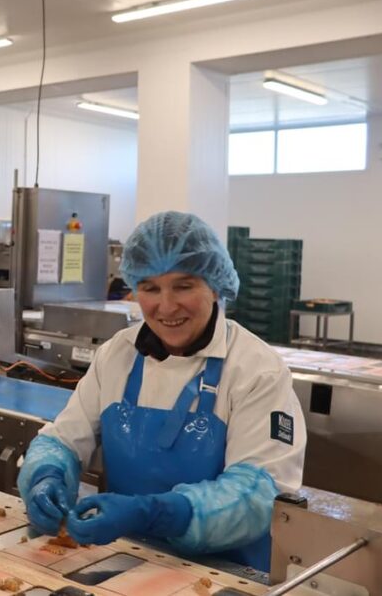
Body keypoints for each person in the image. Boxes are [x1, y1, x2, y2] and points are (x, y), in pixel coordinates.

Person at [18, 211, 305, 572]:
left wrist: (152, 513)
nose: (166, 307)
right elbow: (63, 438)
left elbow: (259, 498)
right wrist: (47, 475)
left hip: (224, 574)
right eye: (150, 288)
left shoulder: (256, 372)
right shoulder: (117, 355)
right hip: (125, 561)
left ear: (215, 285)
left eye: (184, 286)